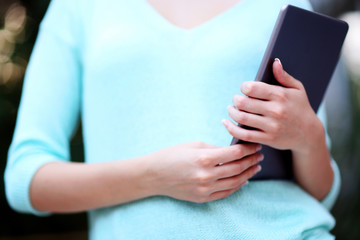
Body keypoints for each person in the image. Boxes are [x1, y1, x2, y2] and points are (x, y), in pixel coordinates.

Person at [4, 0, 340, 239]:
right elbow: (25, 180)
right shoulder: (78, 7)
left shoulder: (283, 5)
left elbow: (322, 191)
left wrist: (308, 135)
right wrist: (154, 176)